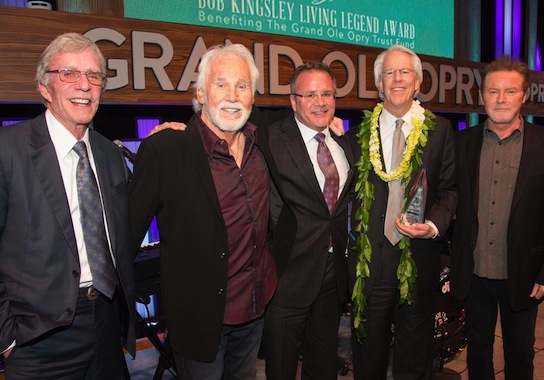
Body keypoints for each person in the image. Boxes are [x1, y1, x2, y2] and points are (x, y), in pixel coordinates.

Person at [129, 43, 278, 379]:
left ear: (253, 97)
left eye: (242, 86)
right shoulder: (166, 150)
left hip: (255, 308)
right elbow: (125, 237)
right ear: (200, 92)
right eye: (220, 84)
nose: (232, 96)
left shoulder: (263, 141)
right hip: (200, 319)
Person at [0, 33, 137, 379]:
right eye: (69, 73)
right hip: (38, 337)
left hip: (106, 324)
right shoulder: (8, 151)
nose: (84, 85)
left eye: (94, 76)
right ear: (45, 87)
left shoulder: (110, 154)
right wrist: (7, 338)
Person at [450, 56, 544, 379]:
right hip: (473, 272)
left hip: (525, 275)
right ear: (481, 96)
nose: (501, 99)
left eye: (510, 91)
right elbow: (447, 198)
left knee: (520, 355)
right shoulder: (462, 143)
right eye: (493, 91)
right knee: (477, 353)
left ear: (524, 95)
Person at [346, 44, 458, 380]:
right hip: (372, 263)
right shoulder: (357, 134)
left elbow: (450, 190)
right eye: (389, 73)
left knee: (414, 355)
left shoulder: (439, 131)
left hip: (418, 257)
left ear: (418, 82)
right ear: (379, 84)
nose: (397, 79)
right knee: (368, 354)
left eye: (404, 72)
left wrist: (434, 226)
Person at [261, 63, 354, 380]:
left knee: (323, 366)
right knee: (281, 369)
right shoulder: (271, 138)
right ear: (293, 100)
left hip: (331, 278)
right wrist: (179, 130)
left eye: (327, 93)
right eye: (310, 94)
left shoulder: (344, 143)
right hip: (287, 277)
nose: (321, 101)